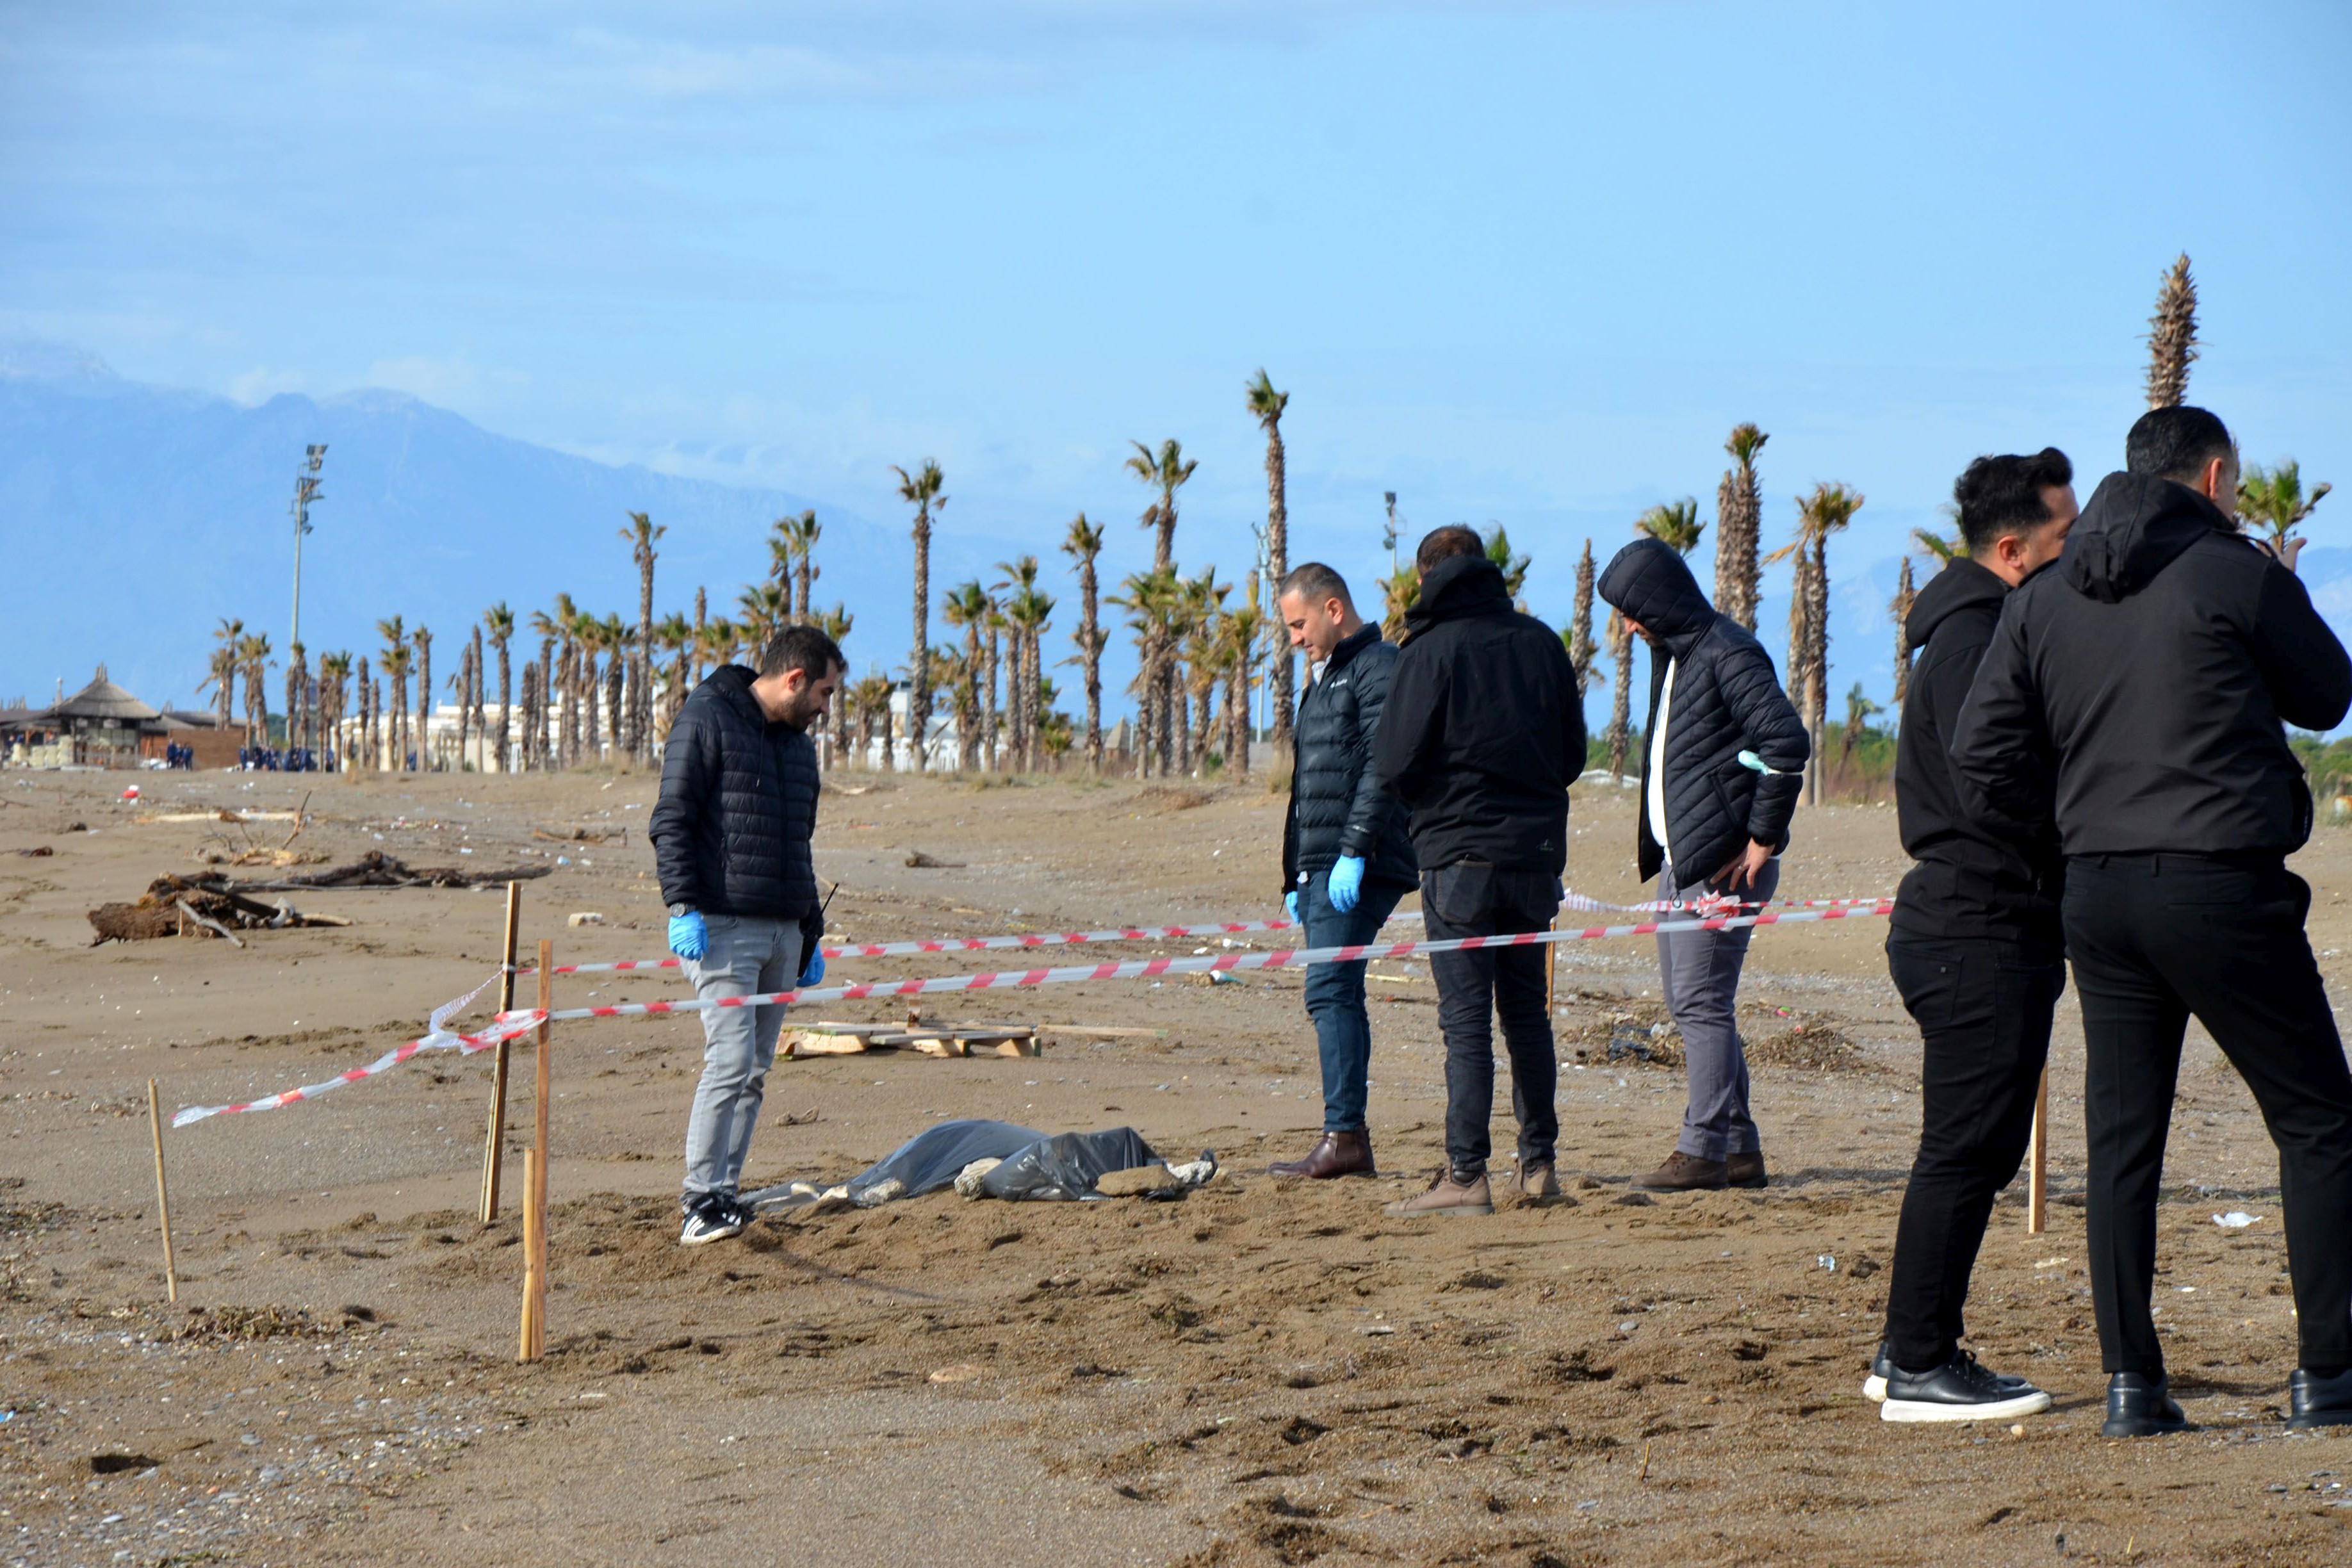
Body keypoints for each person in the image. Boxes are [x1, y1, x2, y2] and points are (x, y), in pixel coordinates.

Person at [1953, 406, 2352, 1436]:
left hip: (2100, 887)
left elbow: (1979, 753)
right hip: (2222, 879)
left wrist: (2063, 832)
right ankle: (2328, 1375)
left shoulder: (2046, 595)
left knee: (2123, 1141)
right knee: (2317, 1121)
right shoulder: (2235, 573)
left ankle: (2134, 1387)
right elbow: (2329, 694)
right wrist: (2277, 579)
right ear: (2215, 477)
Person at [1868, 449, 2077, 1424]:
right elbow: (1989, 784)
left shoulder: (1980, 628)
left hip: (1980, 919)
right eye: (2065, 540)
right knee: (1964, 1150)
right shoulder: (1976, 639)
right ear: (2013, 550)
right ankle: (1920, 1361)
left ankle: (1903, 1346)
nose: (2080, 556)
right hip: (1973, 922)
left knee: (1972, 1149)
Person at [1371, 525, 1585, 1216]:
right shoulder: (1541, 644)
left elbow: (1395, 761)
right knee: (1527, 1013)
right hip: (1533, 855)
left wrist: (1437, 810)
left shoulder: (1429, 650)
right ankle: (1540, 1163)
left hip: (1458, 856)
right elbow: (1572, 753)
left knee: (1465, 1019)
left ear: (1430, 576)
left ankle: (1466, 1173)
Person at [1596, 537, 1808, 1193]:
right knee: (1693, 1000)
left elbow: (1786, 741)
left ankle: (1704, 1150)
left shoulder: (1728, 651)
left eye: (1633, 610)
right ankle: (1739, 1148)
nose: (1629, 626)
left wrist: (1763, 838)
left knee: (1700, 1001)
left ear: (1657, 601)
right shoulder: (1678, 655)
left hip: (1724, 868)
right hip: (1682, 862)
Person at [649, 624, 844, 1246]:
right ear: (794, 680)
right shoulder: (708, 718)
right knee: (729, 1061)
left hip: (783, 933)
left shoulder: (798, 748)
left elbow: (798, 846)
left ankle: (724, 1197)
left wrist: (810, 936)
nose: (825, 707)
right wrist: (682, 905)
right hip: (721, 929)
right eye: (824, 693)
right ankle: (698, 1202)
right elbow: (672, 820)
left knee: (756, 1070)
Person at [1268, 563, 1418, 1180]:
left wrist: (1355, 850)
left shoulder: (1377, 665)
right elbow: (1307, 791)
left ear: (1333, 610)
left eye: (1300, 625)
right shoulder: (1324, 681)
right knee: (1333, 990)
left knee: (1329, 990)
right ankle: (1346, 1135)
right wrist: (1291, 877)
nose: (1295, 639)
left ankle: (1344, 1137)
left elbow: (1383, 766)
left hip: (1360, 859)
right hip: (1320, 866)